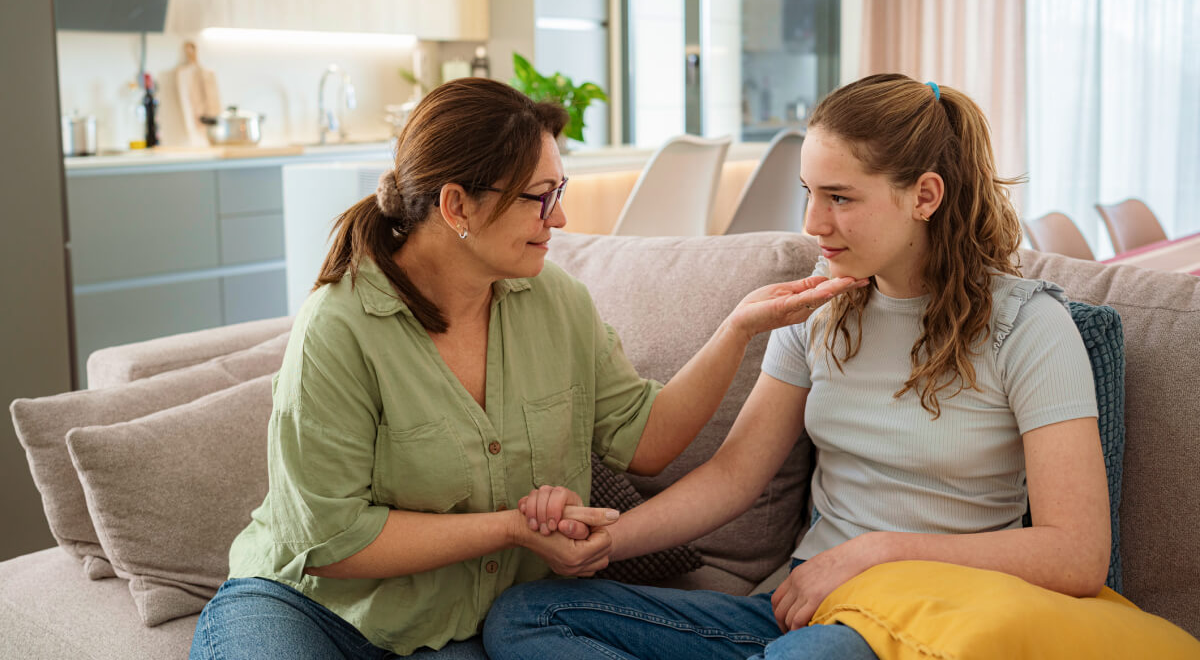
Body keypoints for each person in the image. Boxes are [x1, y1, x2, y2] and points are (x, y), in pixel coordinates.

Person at [188, 78, 864, 660]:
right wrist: (512, 527)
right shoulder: (339, 328)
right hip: (304, 605)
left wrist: (736, 329)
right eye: (539, 197)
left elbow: (646, 439)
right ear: (456, 207)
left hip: (448, 627)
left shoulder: (553, 301)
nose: (560, 217)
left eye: (558, 190)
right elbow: (332, 541)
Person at [484, 74, 1111, 660]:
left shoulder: (1029, 327)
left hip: (928, 623)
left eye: (840, 198)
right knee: (525, 615)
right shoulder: (819, 305)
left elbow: (1078, 553)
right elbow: (733, 475)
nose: (814, 224)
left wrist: (875, 554)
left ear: (924, 196)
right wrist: (609, 541)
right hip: (799, 614)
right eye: (810, 194)